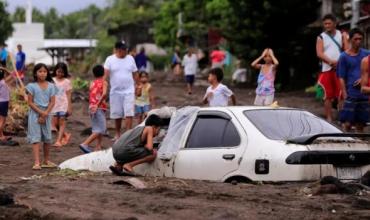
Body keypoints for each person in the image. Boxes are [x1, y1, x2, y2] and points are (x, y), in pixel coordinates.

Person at [316, 14, 349, 122]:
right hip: (326, 69)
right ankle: (329, 118)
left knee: (341, 94)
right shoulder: (321, 37)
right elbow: (319, 53)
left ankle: (341, 117)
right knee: (327, 95)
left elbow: (347, 50)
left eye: (329, 23)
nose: (327, 26)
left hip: (340, 69)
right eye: (325, 24)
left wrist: (339, 62)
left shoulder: (342, 35)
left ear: (335, 23)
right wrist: (331, 62)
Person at [26, 63, 58, 170]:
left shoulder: (51, 86)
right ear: (35, 73)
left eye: (45, 71)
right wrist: (41, 113)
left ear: (47, 73)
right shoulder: (31, 86)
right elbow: (30, 102)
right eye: (40, 71)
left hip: (47, 114)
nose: (43, 73)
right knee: (36, 138)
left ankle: (46, 161)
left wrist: (45, 113)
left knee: (47, 138)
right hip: (35, 114)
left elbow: (52, 102)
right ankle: (36, 162)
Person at [337, 28, 370, 132]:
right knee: (347, 123)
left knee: (360, 124)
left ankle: (361, 146)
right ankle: (346, 144)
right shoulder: (344, 57)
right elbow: (341, 77)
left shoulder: (366, 54)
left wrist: (363, 79)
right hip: (350, 93)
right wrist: (345, 94)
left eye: (360, 39)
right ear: (350, 39)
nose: (358, 41)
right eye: (356, 39)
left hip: (364, 94)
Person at [104, 41, 138, 141]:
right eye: (123, 49)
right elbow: (105, 75)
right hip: (115, 91)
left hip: (129, 90)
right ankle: (118, 134)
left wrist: (139, 85)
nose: (125, 51)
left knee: (129, 112)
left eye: (126, 49)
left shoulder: (130, 58)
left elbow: (135, 73)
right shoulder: (110, 59)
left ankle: (127, 135)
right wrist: (102, 86)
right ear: (118, 50)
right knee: (117, 113)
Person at [79, 65, 108, 153]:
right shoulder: (104, 82)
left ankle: (98, 146)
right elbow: (104, 94)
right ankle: (85, 143)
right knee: (101, 129)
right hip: (98, 107)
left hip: (91, 107)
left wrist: (94, 105)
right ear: (103, 72)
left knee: (97, 128)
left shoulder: (92, 83)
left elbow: (92, 95)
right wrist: (97, 104)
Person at [51, 63, 72, 148]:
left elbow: (69, 94)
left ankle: (58, 141)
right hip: (54, 105)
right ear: (55, 70)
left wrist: (69, 107)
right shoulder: (52, 80)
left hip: (63, 104)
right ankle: (65, 135)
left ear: (65, 72)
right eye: (58, 71)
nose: (60, 74)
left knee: (62, 122)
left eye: (62, 72)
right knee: (55, 124)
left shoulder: (67, 82)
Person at [0, 67, 11, 142]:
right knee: (2, 121)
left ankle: (1, 135)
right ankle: (1, 136)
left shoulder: (3, 82)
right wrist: (3, 68)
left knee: (1, 120)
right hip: (3, 102)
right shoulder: (3, 82)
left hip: (1, 102)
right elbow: (12, 74)